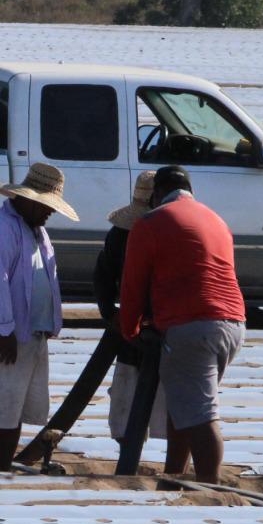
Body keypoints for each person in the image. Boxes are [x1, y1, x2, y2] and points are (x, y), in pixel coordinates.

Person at [117, 165, 246, 484]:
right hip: (233, 323)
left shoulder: (150, 223)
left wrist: (129, 329)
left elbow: (133, 285)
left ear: (157, 195)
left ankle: (209, 487)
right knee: (186, 405)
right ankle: (174, 476)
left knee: (201, 416)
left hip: (193, 325)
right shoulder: (216, 220)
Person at [0, 163, 77, 471]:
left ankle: (2, 468)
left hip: (29, 335)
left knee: (11, 409)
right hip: (3, 335)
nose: (49, 213)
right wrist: (5, 331)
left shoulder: (36, 231)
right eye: (45, 206)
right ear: (26, 200)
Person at [97, 170, 166, 443]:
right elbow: (103, 274)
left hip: (161, 325)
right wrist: (110, 312)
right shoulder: (119, 236)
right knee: (127, 387)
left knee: (164, 398)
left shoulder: (164, 234)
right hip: (130, 324)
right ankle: (128, 445)